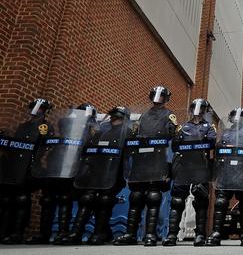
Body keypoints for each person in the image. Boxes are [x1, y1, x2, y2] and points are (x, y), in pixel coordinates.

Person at [114, 86, 178, 246]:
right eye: (156, 95)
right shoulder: (144, 116)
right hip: (141, 160)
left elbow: (171, 135)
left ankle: (150, 234)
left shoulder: (169, 115)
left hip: (158, 159)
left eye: (161, 96)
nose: (158, 99)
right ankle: (130, 234)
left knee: (153, 197)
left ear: (166, 98)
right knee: (136, 196)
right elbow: (135, 134)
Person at [28, 103, 98, 245]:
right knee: (47, 198)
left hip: (75, 166)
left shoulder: (92, 131)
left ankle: (63, 232)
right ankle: (44, 233)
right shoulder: (66, 123)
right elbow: (62, 124)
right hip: (57, 162)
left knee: (65, 198)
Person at [63, 106, 130, 245]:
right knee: (87, 199)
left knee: (105, 200)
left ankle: (99, 233)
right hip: (95, 171)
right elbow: (88, 148)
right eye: (113, 117)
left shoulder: (127, 132)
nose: (113, 119)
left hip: (114, 172)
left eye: (117, 117)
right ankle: (76, 232)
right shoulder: (102, 130)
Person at [0, 98, 54, 244]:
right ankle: (4, 231)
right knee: (7, 198)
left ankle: (17, 233)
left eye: (40, 109)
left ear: (45, 111)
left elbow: (45, 145)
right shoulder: (23, 126)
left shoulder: (44, 126)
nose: (36, 111)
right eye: (34, 108)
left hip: (29, 167)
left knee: (21, 199)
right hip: (14, 166)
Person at [163, 99, 216, 246]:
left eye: (201, 109)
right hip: (184, 165)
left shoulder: (208, 127)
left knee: (200, 201)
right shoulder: (183, 126)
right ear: (191, 109)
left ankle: (200, 235)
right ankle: (172, 235)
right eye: (195, 108)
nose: (198, 111)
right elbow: (175, 146)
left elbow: (211, 142)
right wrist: (175, 135)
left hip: (200, 165)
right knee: (177, 200)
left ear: (205, 111)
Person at [207, 108, 243, 247]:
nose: (237, 119)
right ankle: (217, 232)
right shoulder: (226, 132)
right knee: (221, 202)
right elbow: (218, 147)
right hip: (226, 172)